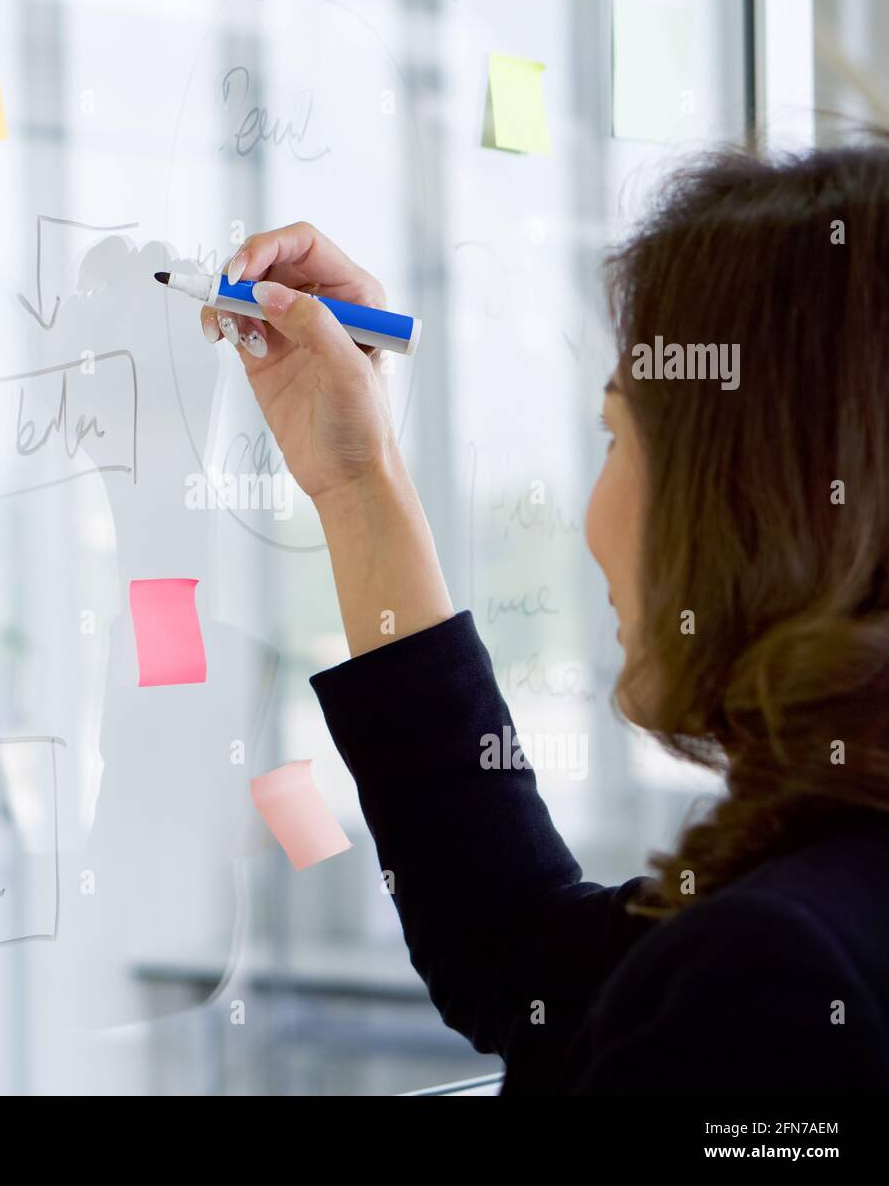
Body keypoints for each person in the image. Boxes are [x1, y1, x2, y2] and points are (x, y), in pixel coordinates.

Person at [199, 142, 889, 1095]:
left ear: (751, 498)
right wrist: (358, 481)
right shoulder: (818, 907)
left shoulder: (772, 980)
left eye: (619, 436)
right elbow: (519, 953)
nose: (592, 515)